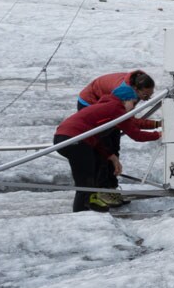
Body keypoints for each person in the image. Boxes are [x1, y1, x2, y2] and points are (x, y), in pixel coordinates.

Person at [53, 82, 159, 212]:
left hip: (64, 137)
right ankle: (80, 218)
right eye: (133, 102)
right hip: (76, 140)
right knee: (85, 185)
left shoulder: (107, 105)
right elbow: (136, 134)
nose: (134, 107)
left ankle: (93, 205)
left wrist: (111, 157)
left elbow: (96, 139)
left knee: (94, 169)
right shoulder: (117, 109)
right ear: (125, 100)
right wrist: (160, 134)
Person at [77, 69, 162, 143]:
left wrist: (157, 124)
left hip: (104, 99)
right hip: (89, 102)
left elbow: (127, 121)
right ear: (136, 89)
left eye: (151, 94)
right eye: (145, 95)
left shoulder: (138, 81)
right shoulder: (124, 94)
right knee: (104, 143)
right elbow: (130, 124)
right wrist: (157, 126)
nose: (147, 99)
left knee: (114, 139)